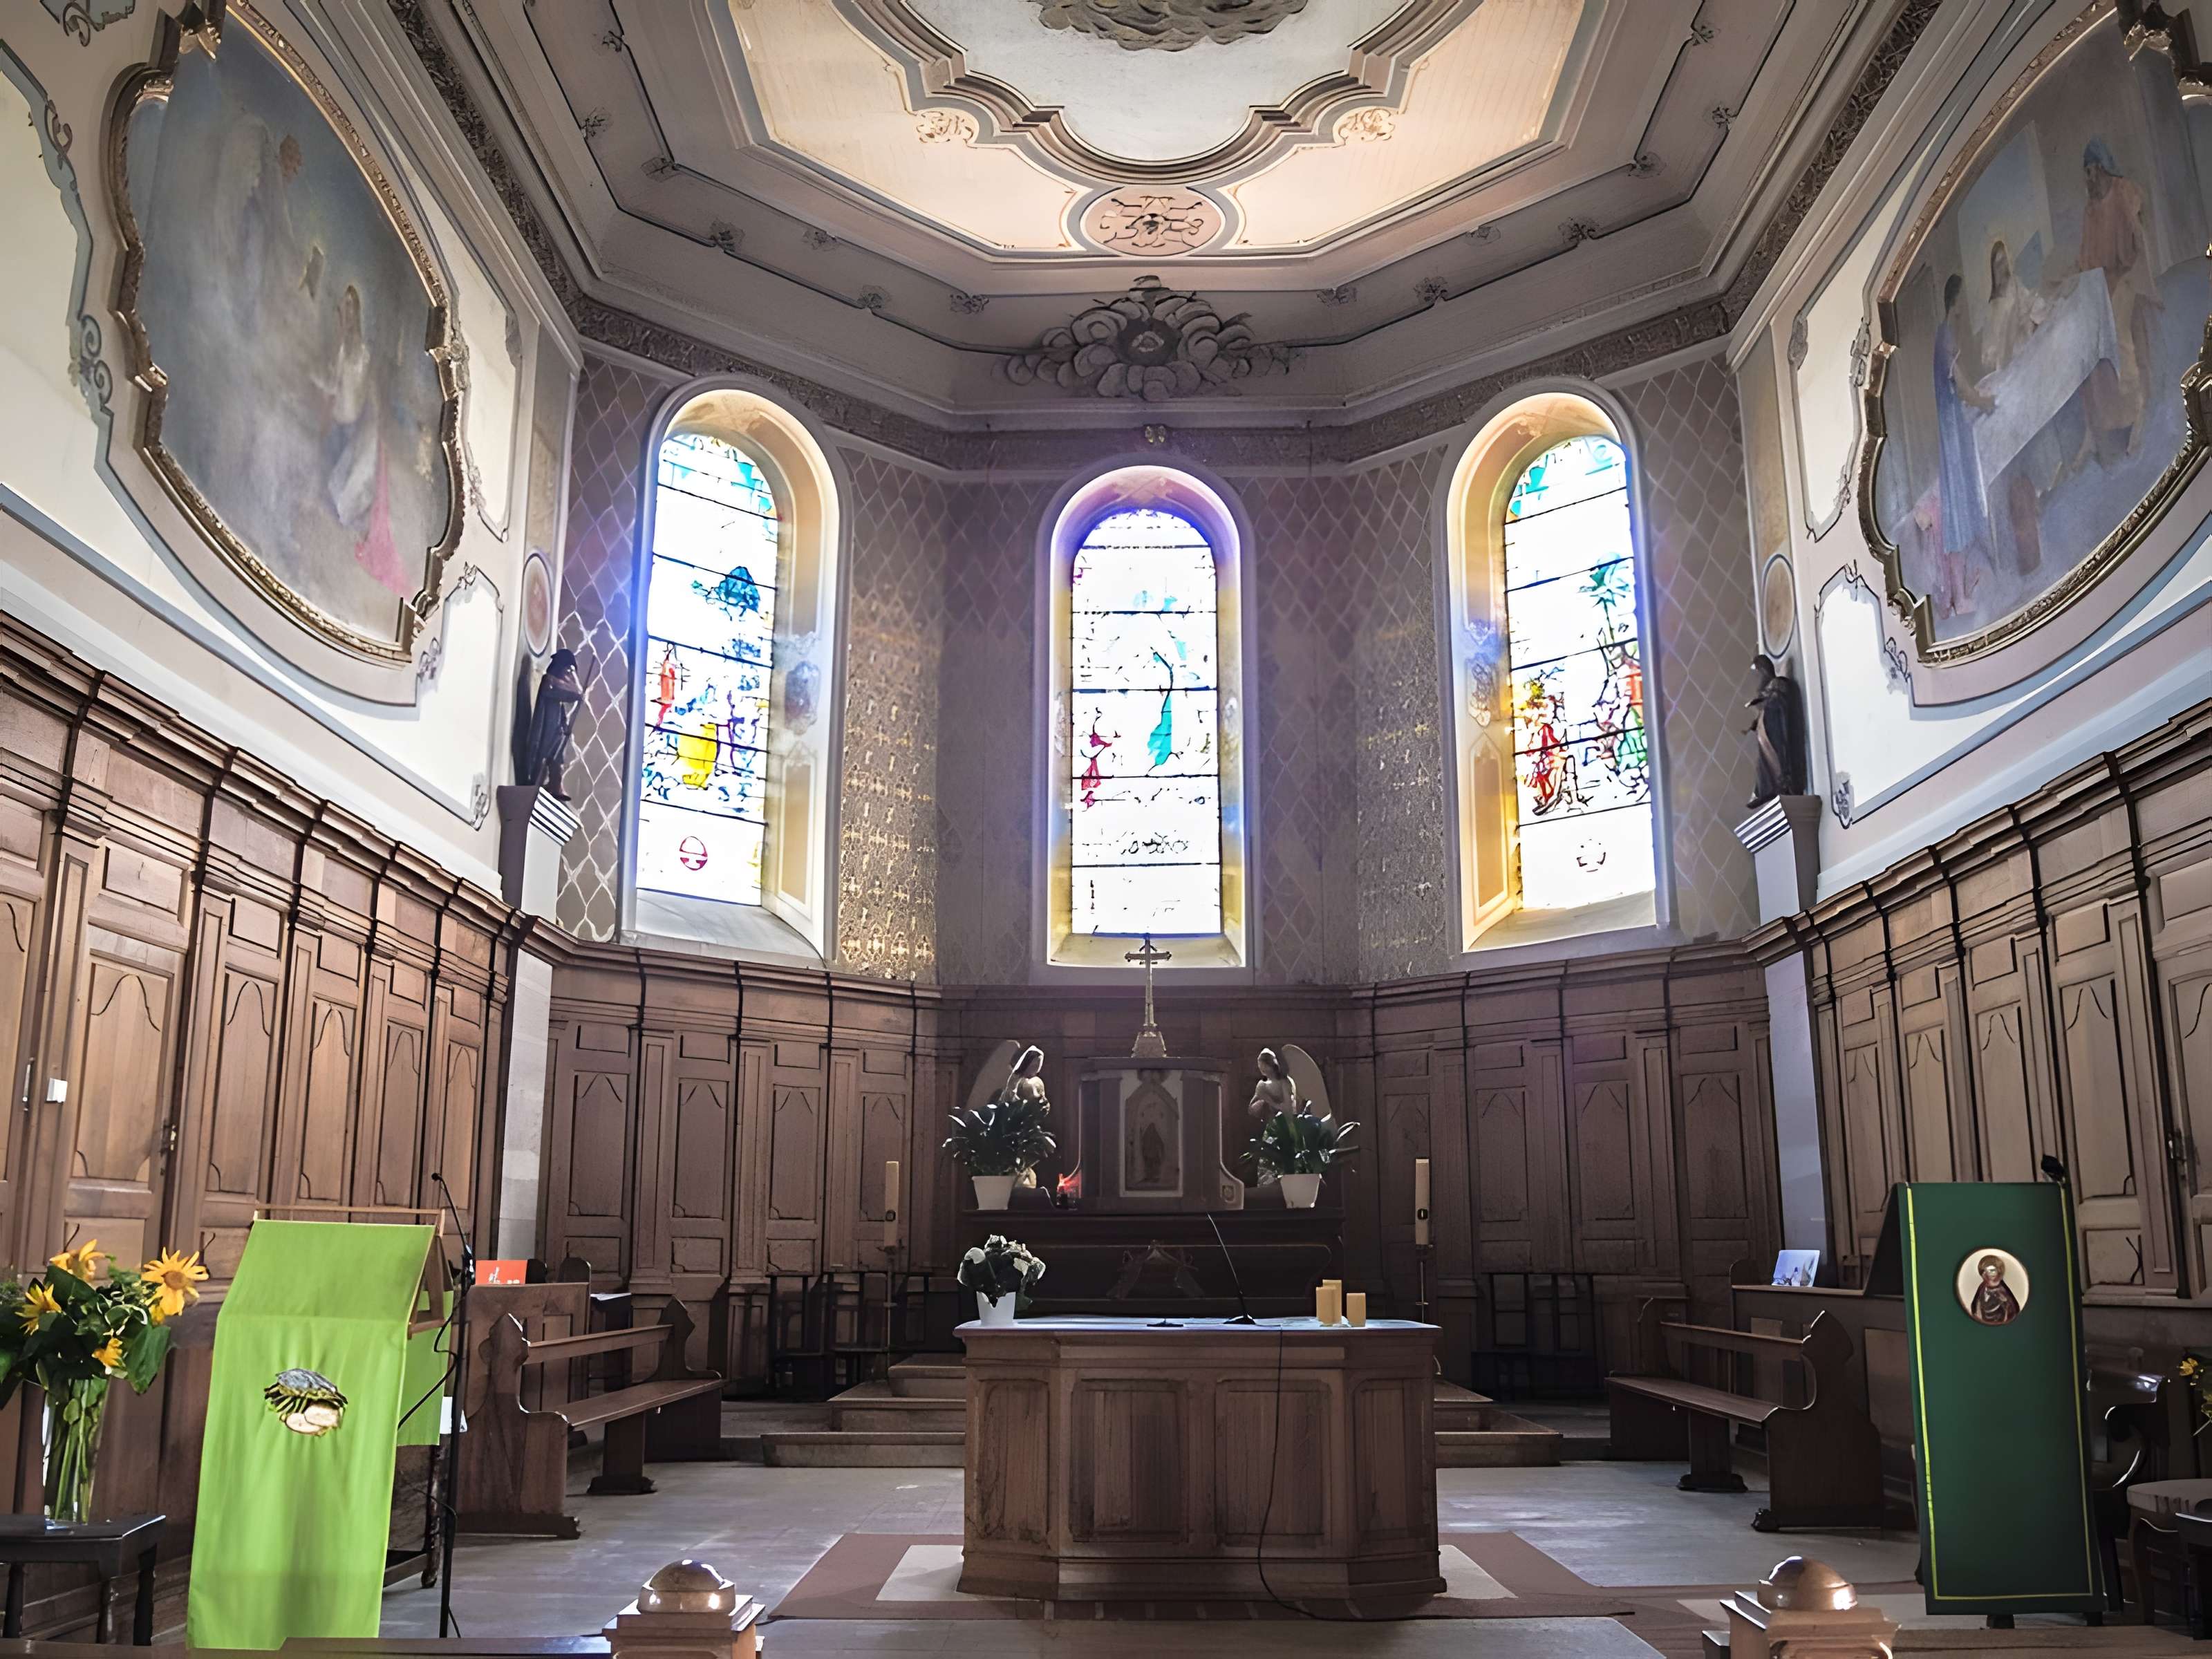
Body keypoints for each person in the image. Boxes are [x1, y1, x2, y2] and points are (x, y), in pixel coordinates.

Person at [2072, 136, 2164, 466]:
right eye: (2085, 174)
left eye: (2092, 171)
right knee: (2087, 349)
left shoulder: (2123, 191)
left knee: (2119, 340)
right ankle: (2097, 428)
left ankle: (2137, 410)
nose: (2089, 180)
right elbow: (2086, 259)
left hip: (2127, 277)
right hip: (2103, 287)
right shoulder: (2091, 209)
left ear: (2102, 167)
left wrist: (2131, 273)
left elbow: (2136, 239)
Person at [1932, 272, 1993, 615]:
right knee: (1957, 510)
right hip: (1953, 433)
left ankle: (1962, 590)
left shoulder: (1945, 335)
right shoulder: (1946, 337)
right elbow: (1965, 388)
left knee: (1962, 506)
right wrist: (1983, 400)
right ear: (1956, 301)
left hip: (1955, 429)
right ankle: (1959, 597)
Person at [1968, 1255, 2021, 1326]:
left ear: (1999, 1271)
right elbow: (1976, 1306)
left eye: (1992, 1270)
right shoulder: (1982, 1287)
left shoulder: (2002, 1290)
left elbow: (2010, 1308)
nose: (1989, 1273)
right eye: (1986, 1271)